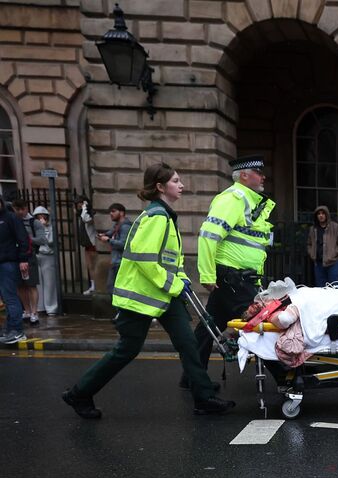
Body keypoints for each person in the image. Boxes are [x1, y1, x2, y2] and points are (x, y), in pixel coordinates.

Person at [62, 163, 235, 419]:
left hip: (163, 295)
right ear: (160, 187)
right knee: (127, 350)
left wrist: (181, 278)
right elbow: (145, 261)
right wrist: (175, 284)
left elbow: (171, 259)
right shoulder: (156, 218)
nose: (181, 185)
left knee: (188, 343)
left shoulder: (166, 216)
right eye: (176, 181)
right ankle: (79, 393)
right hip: (141, 298)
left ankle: (204, 397)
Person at [181, 155, 276, 390]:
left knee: (208, 327)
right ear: (244, 175)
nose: (263, 176)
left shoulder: (247, 201)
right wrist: (207, 275)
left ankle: (192, 377)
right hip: (234, 277)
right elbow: (208, 236)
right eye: (258, 172)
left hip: (237, 276)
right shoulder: (234, 198)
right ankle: (288, 377)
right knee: (261, 321)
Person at [0, 194, 30, 344]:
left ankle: (17, 330)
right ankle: (8, 329)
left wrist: (23, 259)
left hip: (8, 263)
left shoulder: (11, 218)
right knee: (6, 299)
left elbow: (23, 239)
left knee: (11, 297)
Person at [12, 199, 46, 325]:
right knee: (20, 286)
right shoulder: (13, 221)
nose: (20, 212)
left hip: (29, 256)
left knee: (31, 285)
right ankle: (26, 310)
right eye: (17, 209)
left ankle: (34, 312)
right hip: (15, 256)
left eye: (23, 209)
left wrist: (27, 239)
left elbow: (42, 240)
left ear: (26, 208)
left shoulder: (34, 223)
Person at [307, 205, 338, 287]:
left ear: (327, 215)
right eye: (319, 214)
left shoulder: (335, 227)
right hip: (318, 263)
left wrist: (334, 253)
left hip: (332, 263)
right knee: (321, 289)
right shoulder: (313, 229)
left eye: (323, 213)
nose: (321, 215)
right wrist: (312, 253)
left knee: (335, 287)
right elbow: (309, 244)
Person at [97, 203, 132, 294]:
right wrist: (104, 235)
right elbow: (111, 232)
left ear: (121, 213)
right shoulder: (118, 225)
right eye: (110, 212)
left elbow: (123, 244)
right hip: (116, 261)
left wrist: (108, 240)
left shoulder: (125, 227)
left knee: (113, 289)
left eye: (113, 211)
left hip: (120, 262)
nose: (111, 214)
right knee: (112, 289)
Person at [32, 206, 59, 316]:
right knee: (38, 283)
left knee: (49, 282)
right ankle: (40, 307)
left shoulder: (51, 227)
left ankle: (51, 307)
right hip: (37, 255)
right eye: (38, 217)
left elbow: (50, 241)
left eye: (42, 216)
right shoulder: (33, 227)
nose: (40, 219)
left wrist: (44, 228)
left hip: (48, 255)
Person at [74, 194, 98, 295]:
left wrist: (85, 207)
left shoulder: (89, 213)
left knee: (94, 265)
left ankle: (97, 286)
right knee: (89, 266)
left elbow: (87, 219)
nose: (78, 206)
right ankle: (93, 286)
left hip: (92, 243)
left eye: (80, 203)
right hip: (87, 244)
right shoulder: (81, 214)